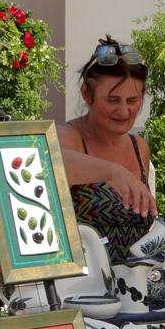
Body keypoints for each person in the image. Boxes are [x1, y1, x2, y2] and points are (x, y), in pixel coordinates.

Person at [57, 36, 157, 264]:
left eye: (132, 100)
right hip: (81, 282)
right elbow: (52, 163)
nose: (123, 111)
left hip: (133, 281)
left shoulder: (138, 147)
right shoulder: (69, 136)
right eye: (112, 100)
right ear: (86, 94)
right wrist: (113, 171)